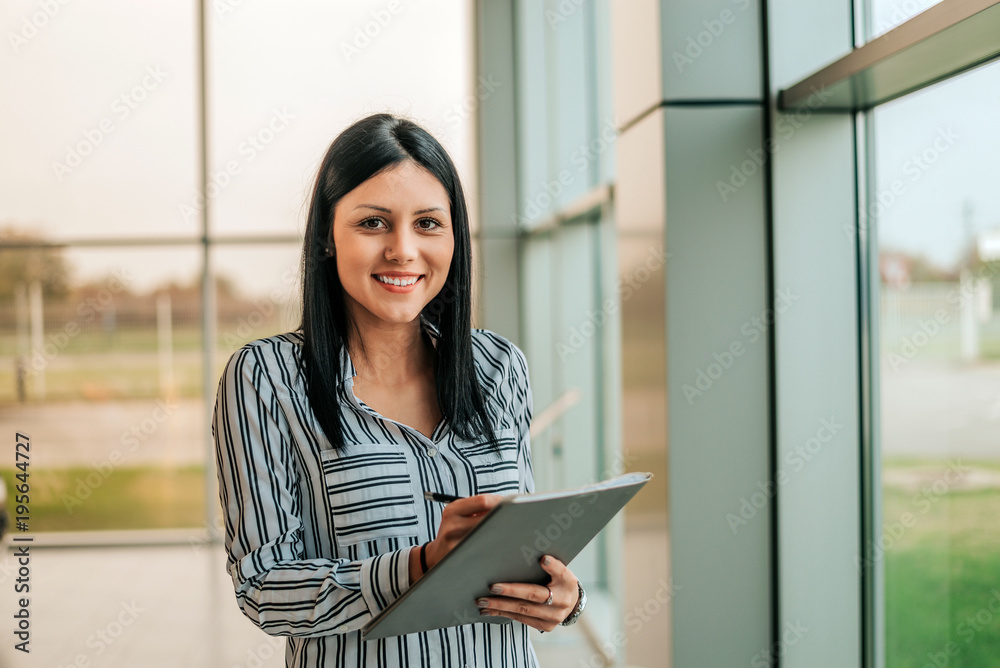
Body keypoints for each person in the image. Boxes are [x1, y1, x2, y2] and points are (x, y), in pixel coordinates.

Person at [212, 113, 586, 667]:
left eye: (429, 223)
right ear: (326, 236)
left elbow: (522, 544)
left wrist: (561, 597)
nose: (403, 250)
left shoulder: (498, 366)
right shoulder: (266, 378)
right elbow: (265, 588)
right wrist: (420, 565)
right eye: (373, 223)